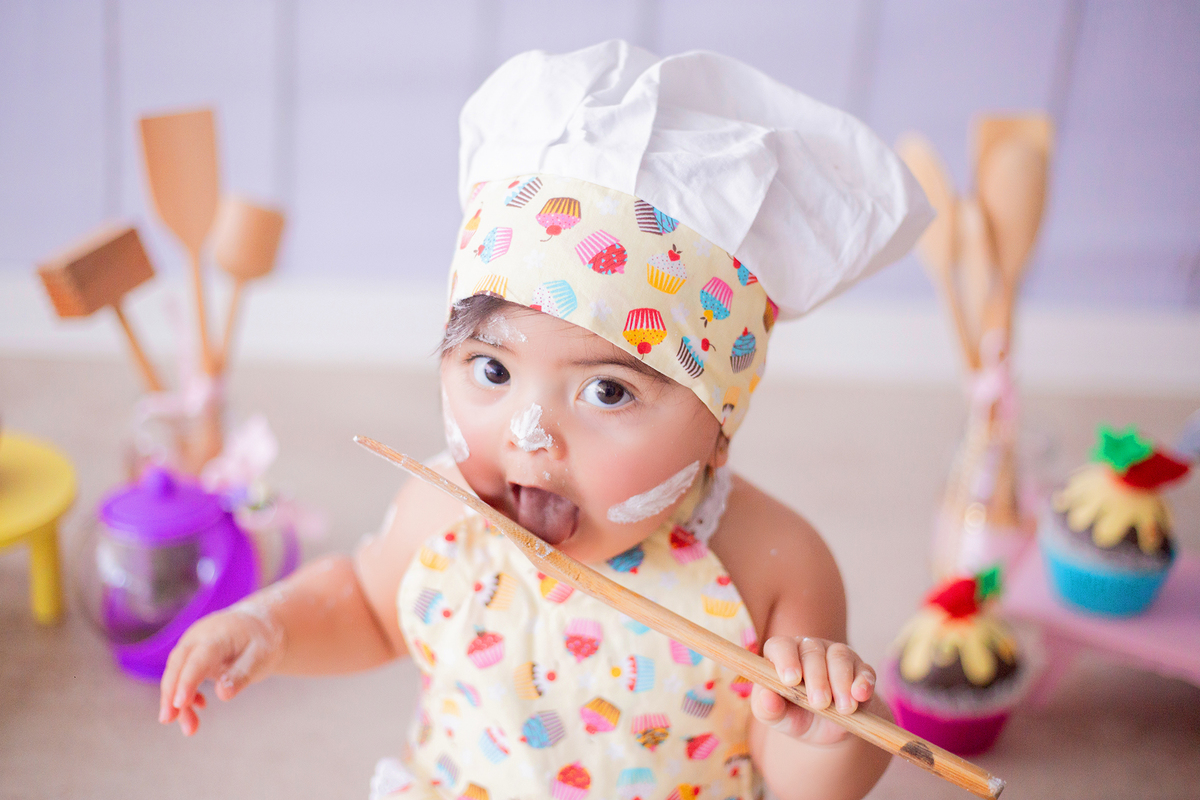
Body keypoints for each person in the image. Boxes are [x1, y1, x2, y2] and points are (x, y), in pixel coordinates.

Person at [159, 41, 932, 800]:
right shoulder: (441, 515)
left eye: (607, 393)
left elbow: (809, 782)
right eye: (491, 371)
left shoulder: (776, 567)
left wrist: (831, 732)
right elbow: (366, 604)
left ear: (718, 432)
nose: (527, 433)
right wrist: (270, 626)